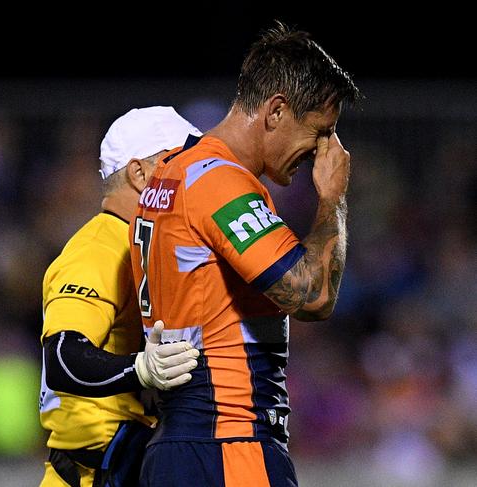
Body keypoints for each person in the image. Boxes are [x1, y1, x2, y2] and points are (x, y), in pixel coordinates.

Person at [130, 22, 361, 487]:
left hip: (177, 447)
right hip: (230, 446)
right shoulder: (220, 181)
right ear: (276, 110)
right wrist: (332, 198)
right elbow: (312, 296)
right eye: (320, 131)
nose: (321, 151)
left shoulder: (172, 172)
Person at [39, 106, 202, 487]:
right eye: (178, 162)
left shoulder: (144, 245)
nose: (194, 176)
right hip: (89, 474)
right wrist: (141, 368)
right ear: (140, 174)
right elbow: (63, 358)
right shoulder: (100, 247)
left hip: (124, 468)